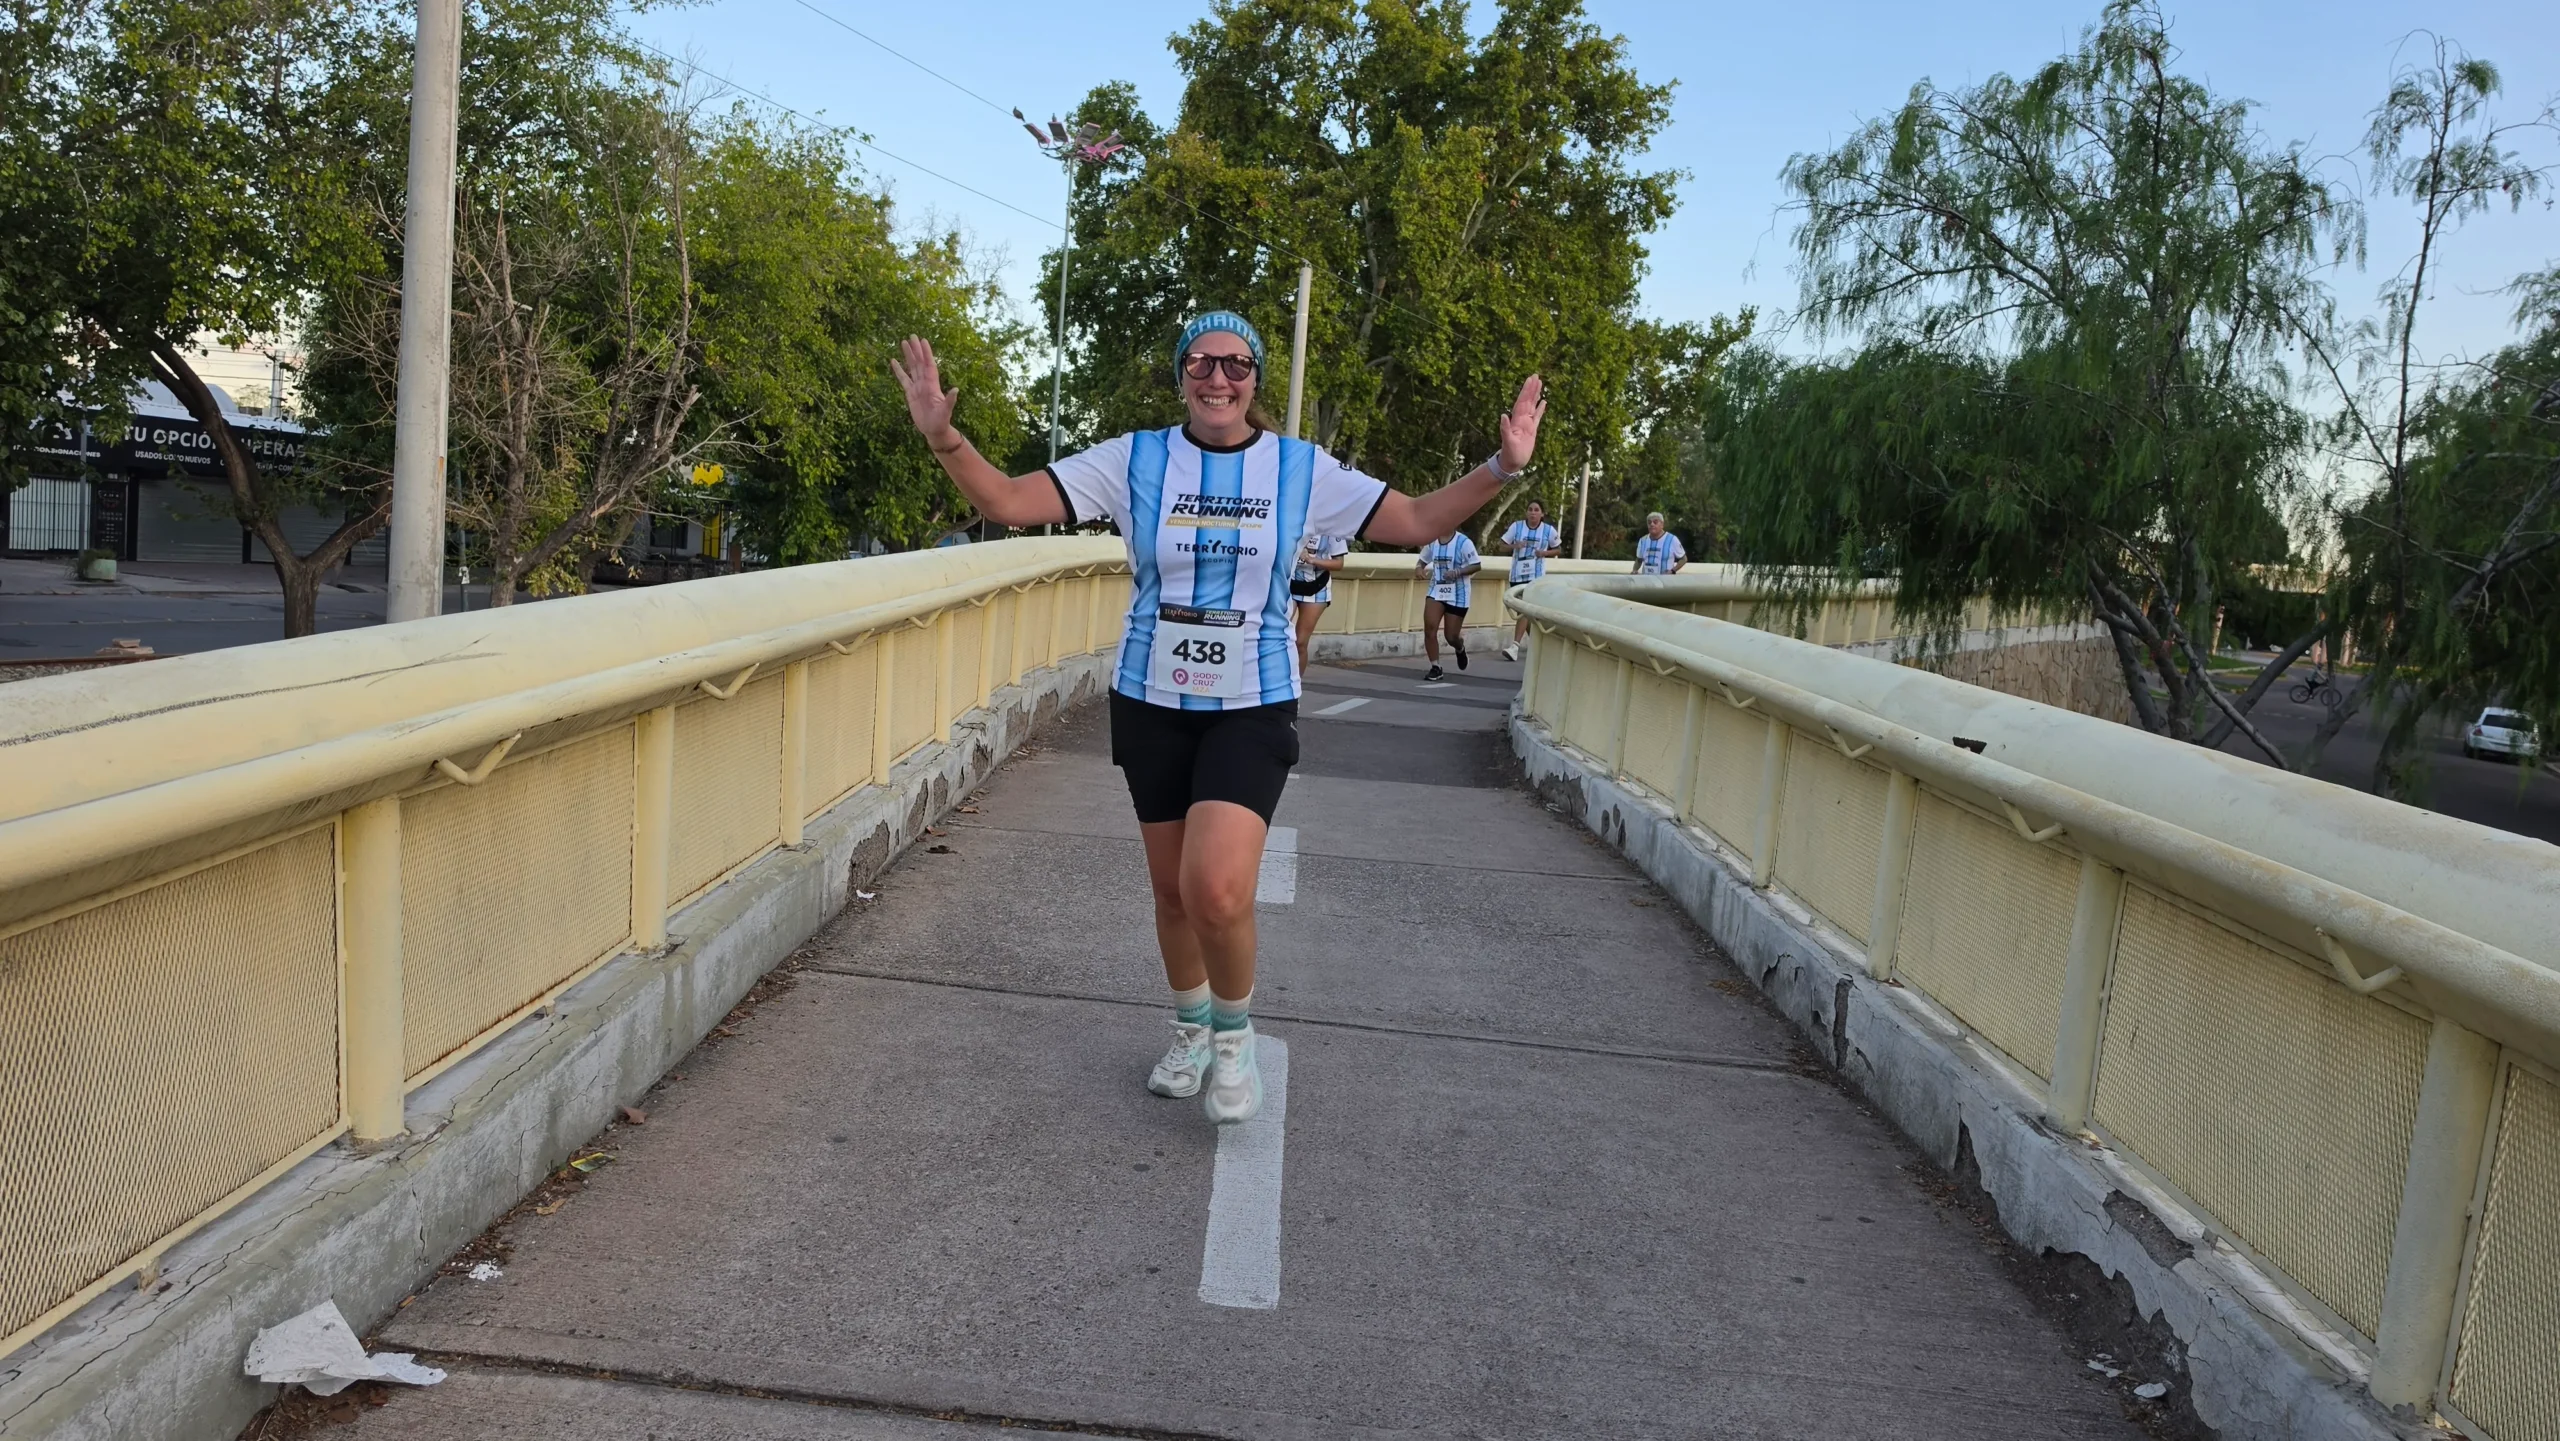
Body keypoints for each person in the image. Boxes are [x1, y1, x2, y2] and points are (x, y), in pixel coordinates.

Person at [891, 313, 1545, 1123]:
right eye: (1200, 362)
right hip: (1150, 699)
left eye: (1236, 364)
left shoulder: (1298, 467)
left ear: (1254, 378)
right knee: (1172, 893)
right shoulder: (1135, 458)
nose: (1218, 378)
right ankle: (1191, 1029)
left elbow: (1415, 521)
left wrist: (1501, 466)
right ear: (1181, 376)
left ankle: (1235, 1041)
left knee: (1216, 887)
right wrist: (944, 438)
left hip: (1252, 700)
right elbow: (1008, 500)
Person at [1498, 499, 1561, 661]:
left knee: (1524, 610)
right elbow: (1501, 545)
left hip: (1535, 576)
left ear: (1542, 514)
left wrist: (1544, 553)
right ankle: (1541, 646)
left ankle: (1515, 646)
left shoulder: (1548, 530)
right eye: (1530, 509)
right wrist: (1515, 546)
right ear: (1526, 512)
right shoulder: (1517, 527)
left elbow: (1558, 549)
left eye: (1536, 510)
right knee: (1525, 614)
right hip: (1517, 575)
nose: (1533, 512)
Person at [1417, 526, 1480, 680]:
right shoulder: (1432, 541)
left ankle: (1460, 648)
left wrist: (1457, 572)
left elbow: (1476, 565)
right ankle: (1436, 667)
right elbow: (1422, 560)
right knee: (1430, 628)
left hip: (1458, 594)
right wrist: (1419, 568)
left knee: (1451, 636)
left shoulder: (1463, 542)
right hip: (1436, 590)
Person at [1289, 530, 1350, 676]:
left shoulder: (1333, 529)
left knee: (1300, 642)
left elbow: (1339, 564)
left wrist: (1311, 560)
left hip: (1316, 586)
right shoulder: (1292, 523)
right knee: (1279, 635)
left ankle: (1296, 684)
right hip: (1288, 583)